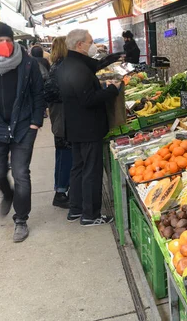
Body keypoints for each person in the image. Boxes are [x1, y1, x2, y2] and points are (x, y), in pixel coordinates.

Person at [0, 21, 45, 242]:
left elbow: (38, 92)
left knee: (21, 173)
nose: (6, 44)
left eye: (9, 40)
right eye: (0, 40)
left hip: (23, 127)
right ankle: (7, 194)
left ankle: (21, 219)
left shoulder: (26, 63)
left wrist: (36, 121)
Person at [57, 29, 120, 226]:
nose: (93, 45)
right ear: (79, 45)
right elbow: (88, 99)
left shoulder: (69, 63)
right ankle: (91, 214)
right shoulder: (78, 68)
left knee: (78, 168)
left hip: (75, 126)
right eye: (91, 41)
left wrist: (112, 58)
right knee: (91, 171)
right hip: (88, 127)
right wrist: (111, 90)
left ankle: (75, 209)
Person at [43, 37, 71, 209]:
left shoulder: (57, 66)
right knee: (64, 155)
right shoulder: (61, 68)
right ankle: (60, 193)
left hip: (60, 118)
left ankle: (62, 190)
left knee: (63, 155)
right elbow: (50, 94)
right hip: (62, 119)